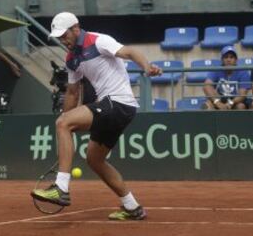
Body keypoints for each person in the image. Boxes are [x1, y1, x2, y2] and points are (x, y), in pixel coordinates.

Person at [30, 12, 161, 220]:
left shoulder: (98, 40)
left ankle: (61, 187)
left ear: (76, 28)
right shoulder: (71, 58)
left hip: (117, 102)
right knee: (94, 159)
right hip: (115, 108)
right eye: (59, 37)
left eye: (65, 35)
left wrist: (146, 67)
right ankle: (132, 207)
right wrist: (67, 122)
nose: (63, 40)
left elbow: (128, 52)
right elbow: (72, 93)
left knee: (63, 123)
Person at [202, 46, 251, 110]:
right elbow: (206, 86)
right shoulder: (216, 69)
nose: (228, 60)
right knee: (207, 104)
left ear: (236, 60)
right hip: (219, 100)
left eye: (231, 57)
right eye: (226, 57)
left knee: (241, 106)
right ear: (222, 60)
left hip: (235, 101)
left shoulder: (243, 72)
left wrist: (231, 103)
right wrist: (217, 102)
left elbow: (242, 94)